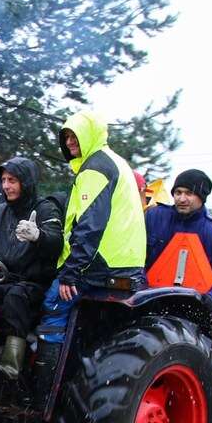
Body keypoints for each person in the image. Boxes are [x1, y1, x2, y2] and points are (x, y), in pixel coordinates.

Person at [35, 110, 147, 405]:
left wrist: (71, 273)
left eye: (75, 135)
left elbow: (90, 224)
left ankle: (42, 398)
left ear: (91, 135)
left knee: (52, 305)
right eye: (67, 136)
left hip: (100, 265)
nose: (70, 142)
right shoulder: (115, 162)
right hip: (120, 263)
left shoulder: (95, 168)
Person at [0, 157, 63, 377]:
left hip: (35, 284)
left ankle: (11, 365)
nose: (6, 185)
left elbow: (57, 242)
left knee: (16, 297)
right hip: (4, 279)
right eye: (4, 180)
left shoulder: (45, 209)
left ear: (26, 182)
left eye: (13, 180)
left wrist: (38, 236)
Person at [144, 169, 212, 309]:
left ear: (202, 197)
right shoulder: (153, 218)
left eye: (189, 193)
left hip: (193, 314)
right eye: (178, 192)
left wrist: (210, 299)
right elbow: (133, 260)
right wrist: (142, 288)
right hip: (148, 305)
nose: (182, 199)